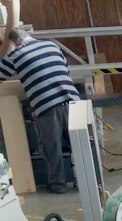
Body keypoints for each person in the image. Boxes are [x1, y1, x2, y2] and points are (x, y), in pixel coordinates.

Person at [0, 28, 80, 194]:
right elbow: (65, 69)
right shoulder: (51, 45)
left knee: (52, 148)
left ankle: (58, 186)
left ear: (14, 42)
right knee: (79, 144)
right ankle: (84, 181)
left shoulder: (14, 54)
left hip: (47, 105)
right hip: (73, 100)